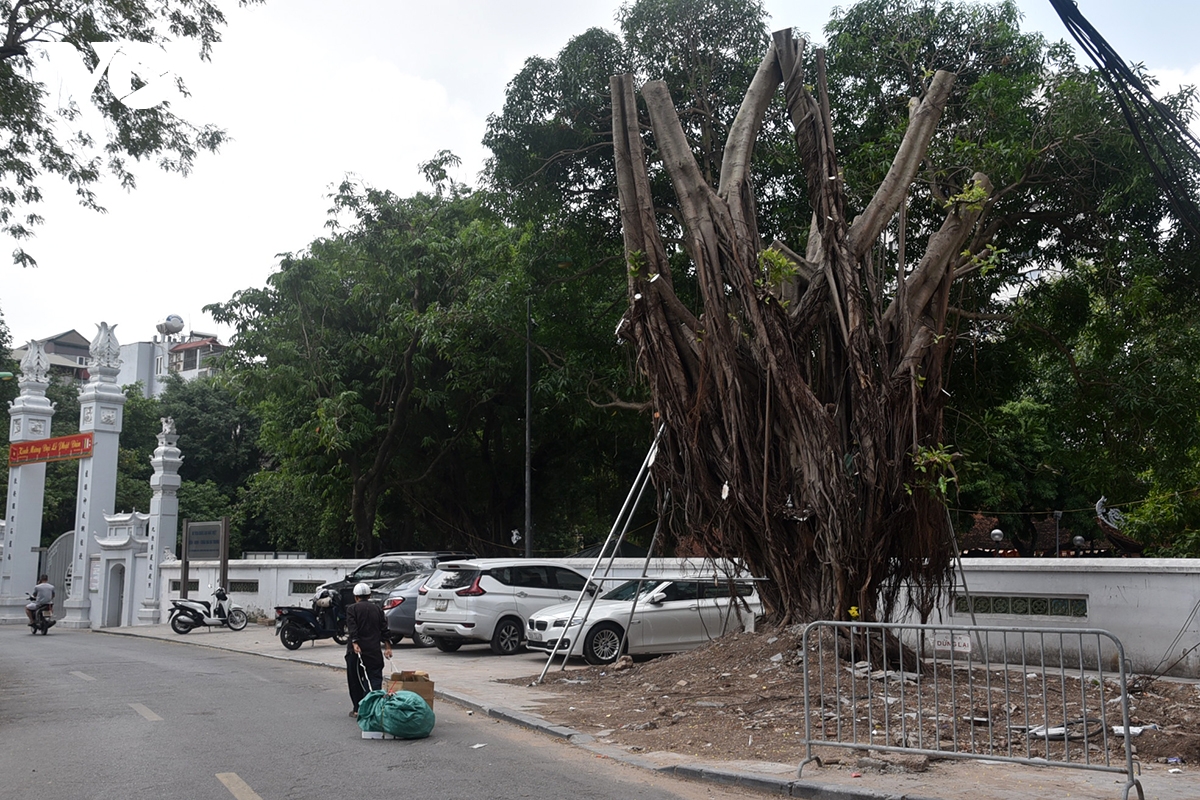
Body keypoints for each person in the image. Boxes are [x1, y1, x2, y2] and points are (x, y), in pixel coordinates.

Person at [345, 581, 391, 718]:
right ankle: (374, 708)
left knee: (356, 680)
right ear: (369, 595)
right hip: (374, 651)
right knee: (374, 679)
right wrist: (388, 646)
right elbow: (384, 629)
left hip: (356, 652)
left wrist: (355, 642)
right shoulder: (377, 609)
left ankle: (358, 709)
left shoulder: (351, 609)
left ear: (355, 597)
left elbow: (352, 628)